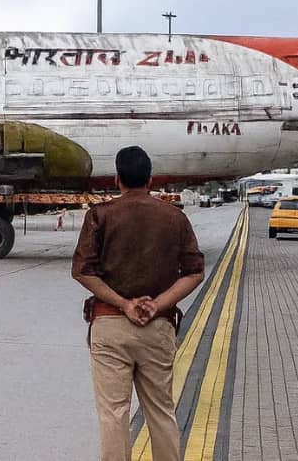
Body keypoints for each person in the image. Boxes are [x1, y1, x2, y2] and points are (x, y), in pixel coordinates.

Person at [72, 146, 205, 461]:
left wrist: (123, 303)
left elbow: (82, 271)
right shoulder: (175, 217)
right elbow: (194, 272)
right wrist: (156, 304)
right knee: (161, 412)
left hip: (109, 328)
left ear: (117, 179)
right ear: (151, 179)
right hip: (157, 328)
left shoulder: (100, 215)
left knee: (113, 414)